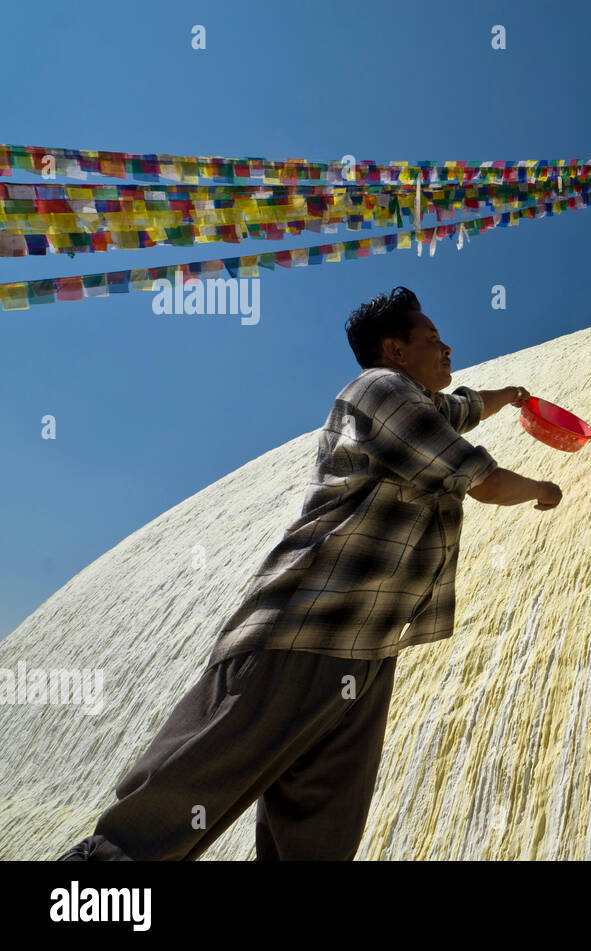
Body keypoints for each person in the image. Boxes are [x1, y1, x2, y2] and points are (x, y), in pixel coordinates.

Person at [57, 285, 561, 860]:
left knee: (316, 837)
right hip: (300, 630)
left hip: (365, 651)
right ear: (395, 351)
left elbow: (465, 406)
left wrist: (514, 395)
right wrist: (545, 489)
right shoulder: (379, 390)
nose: (447, 348)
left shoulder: (414, 403)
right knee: (164, 813)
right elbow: (482, 480)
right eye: (432, 339)